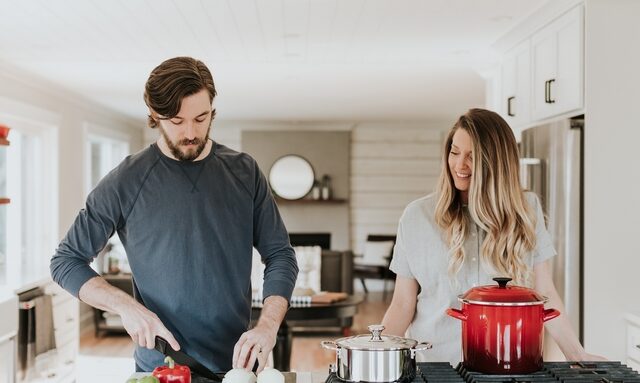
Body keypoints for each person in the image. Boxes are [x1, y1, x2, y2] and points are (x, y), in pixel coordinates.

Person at [50, 56, 299, 374]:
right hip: (161, 367)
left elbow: (280, 255)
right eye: (177, 121)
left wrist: (267, 326)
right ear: (154, 116)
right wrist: (126, 306)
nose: (191, 132)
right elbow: (65, 261)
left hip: (239, 366)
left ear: (213, 110)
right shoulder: (127, 179)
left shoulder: (244, 171)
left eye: (201, 117)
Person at [381, 108, 602, 364]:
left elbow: (545, 292)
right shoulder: (416, 216)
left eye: (472, 157)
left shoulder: (526, 210)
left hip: (509, 366)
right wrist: (373, 362)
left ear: (496, 163)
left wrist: (576, 354)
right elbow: (402, 304)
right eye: (454, 152)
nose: (459, 165)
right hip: (435, 368)